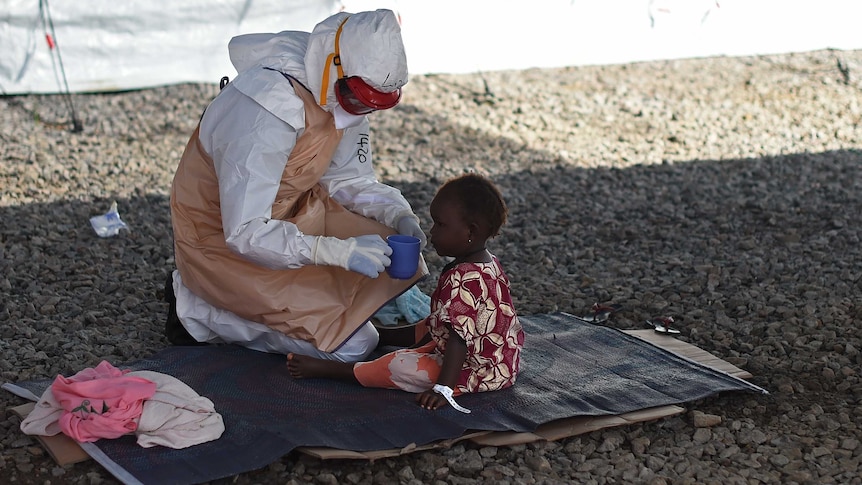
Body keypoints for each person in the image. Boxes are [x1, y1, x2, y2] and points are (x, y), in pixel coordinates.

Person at [165, 9, 428, 363]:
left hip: (292, 214)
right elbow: (244, 231)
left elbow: (349, 180)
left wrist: (400, 215)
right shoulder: (266, 109)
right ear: (335, 69)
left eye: (371, 106)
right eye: (358, 101)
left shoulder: (341, 90)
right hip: (221, 242)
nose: (360, 113)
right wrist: (336, 252)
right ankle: (197, 310)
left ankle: (307, 308)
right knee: (354, 345)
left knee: (388, 242)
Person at [287, 173, 525, 411]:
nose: (432, 232)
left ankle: (330, 369)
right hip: (503, 361)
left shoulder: (462, 278)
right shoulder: (488, 263)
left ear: (470, 232)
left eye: (440, 224)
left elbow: (459, 340)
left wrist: (443, 390)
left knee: (399, 365)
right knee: (434, 322)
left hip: (478, 370)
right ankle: (383, 336)